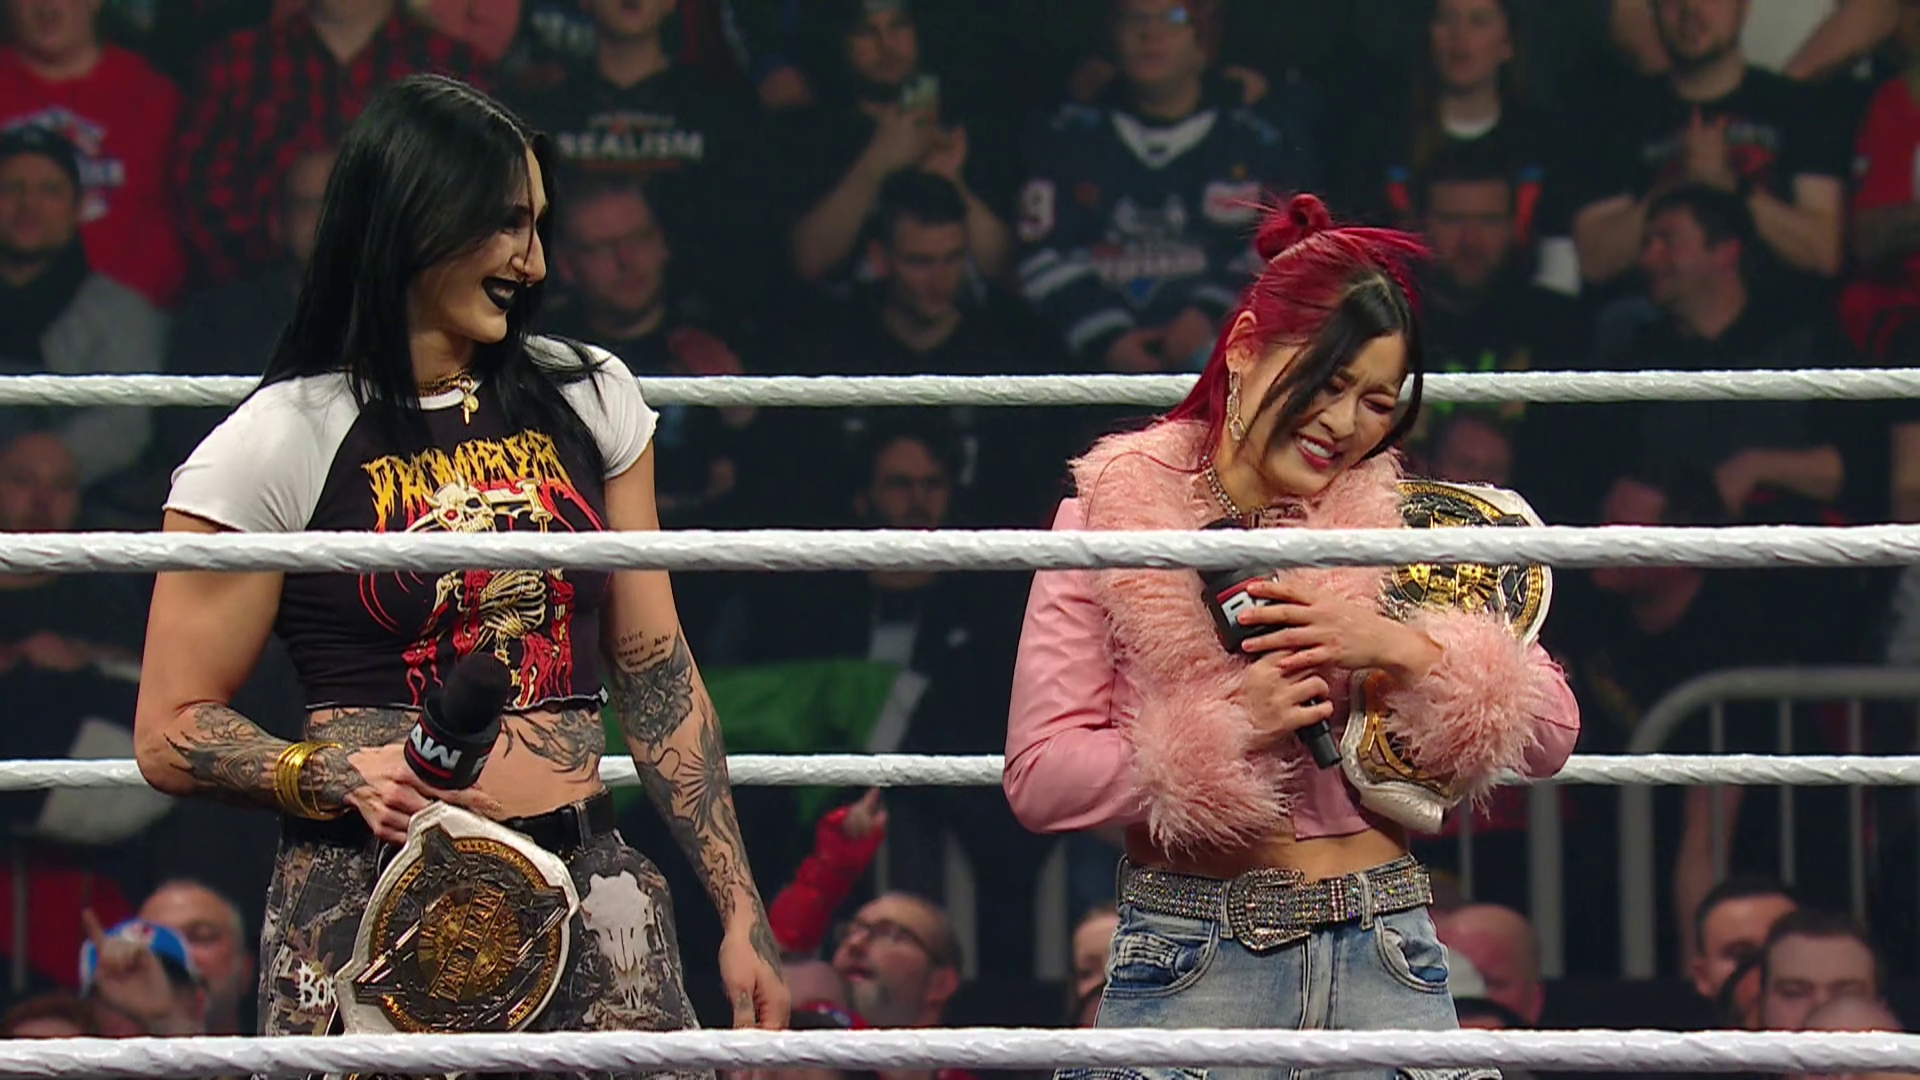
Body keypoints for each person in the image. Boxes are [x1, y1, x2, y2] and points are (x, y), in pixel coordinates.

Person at [130, 74, 787, 1057]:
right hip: (372, 899)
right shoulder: (279, 439)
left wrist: (740, 910)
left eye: (539, 226)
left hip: (586, 886)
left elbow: (653, 667)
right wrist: (334, 774)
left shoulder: (591, 395)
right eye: (509, 225)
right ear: (416, 220)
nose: (535, 260)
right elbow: (169, 731)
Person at [1002, 193, 1579, 1075]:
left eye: (1377, 400)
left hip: (1388, 947)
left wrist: (1399, 647)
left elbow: (1552, 734)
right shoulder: (1108, 520)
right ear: (1243, 348)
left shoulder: (1401, 526)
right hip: (1195, 952)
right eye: (1328, 382)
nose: (1345, 423)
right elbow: (1040, 777)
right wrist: (1236, 724)